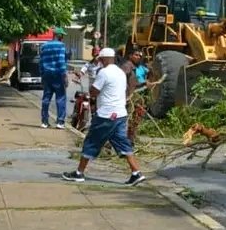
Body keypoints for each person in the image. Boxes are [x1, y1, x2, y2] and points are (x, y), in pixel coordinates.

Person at [62, 48, 146, 185]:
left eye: (101, 59)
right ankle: (136, 173)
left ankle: (79, 173)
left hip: (106, 115)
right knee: (122, 143)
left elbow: (94, 92)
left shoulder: (104, 73)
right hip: (120, 114)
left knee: (91, 142)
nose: (99, 62)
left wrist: (92, 93)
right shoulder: (120, 72)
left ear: (105, 59)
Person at [40, 27, 68, 129]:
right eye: (62, 35)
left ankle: (44, 121)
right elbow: (61, 61)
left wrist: (42, 75)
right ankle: (60, 122)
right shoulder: (61, 46)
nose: (63, 37)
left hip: (47, 74)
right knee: (60, 98)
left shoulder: (44, 46)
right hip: (58, 74)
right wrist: (64, 76)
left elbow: (41, 62)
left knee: (46, 98)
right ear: (58, 35)